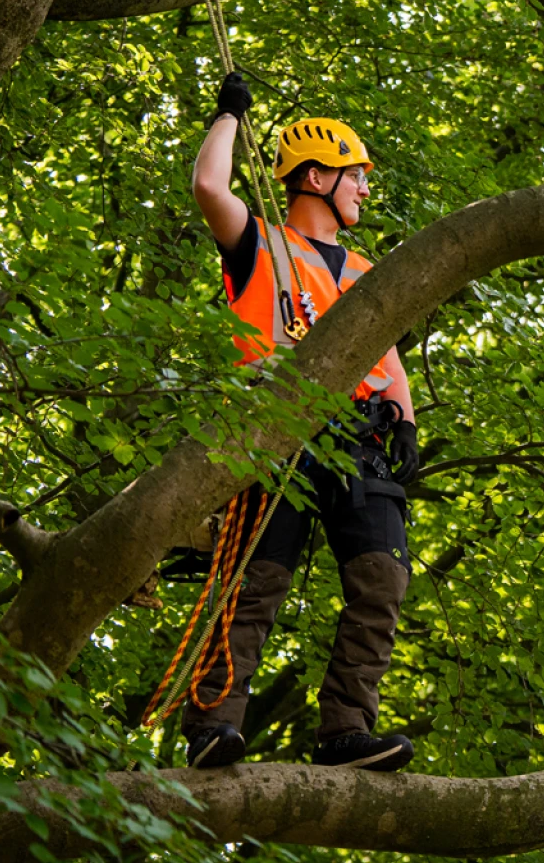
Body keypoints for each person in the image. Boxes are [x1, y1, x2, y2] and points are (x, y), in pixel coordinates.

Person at [183, 71, 423, 771]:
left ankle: (346, 731)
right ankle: (214, 726)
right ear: (316, 177)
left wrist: (406, 422)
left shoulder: (367, 271)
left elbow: (389, 359)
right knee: (256, 581)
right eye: (356, 176)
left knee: (382, 578)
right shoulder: (260, 244)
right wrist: (229, 115)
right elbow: (208, 188)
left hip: (359, 439)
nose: (365, 190)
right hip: (277, 424)